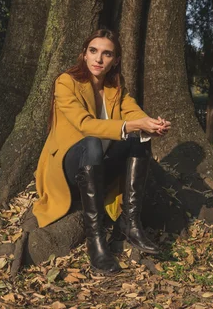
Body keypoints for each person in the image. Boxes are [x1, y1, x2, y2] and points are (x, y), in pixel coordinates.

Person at [32, 28, 171, 274]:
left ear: (115, 60)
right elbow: (84, 124)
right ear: (84, 54)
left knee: (140, 139)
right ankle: (95, 240)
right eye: (93, 51)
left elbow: (134, 113)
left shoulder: (115, 88)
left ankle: (130, 222)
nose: (98, 59)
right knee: (92, 140)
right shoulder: (66, 82)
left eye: (107, 54)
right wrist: (132, 125)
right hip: (69, 169)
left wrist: (150, 125)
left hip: (98, 169)